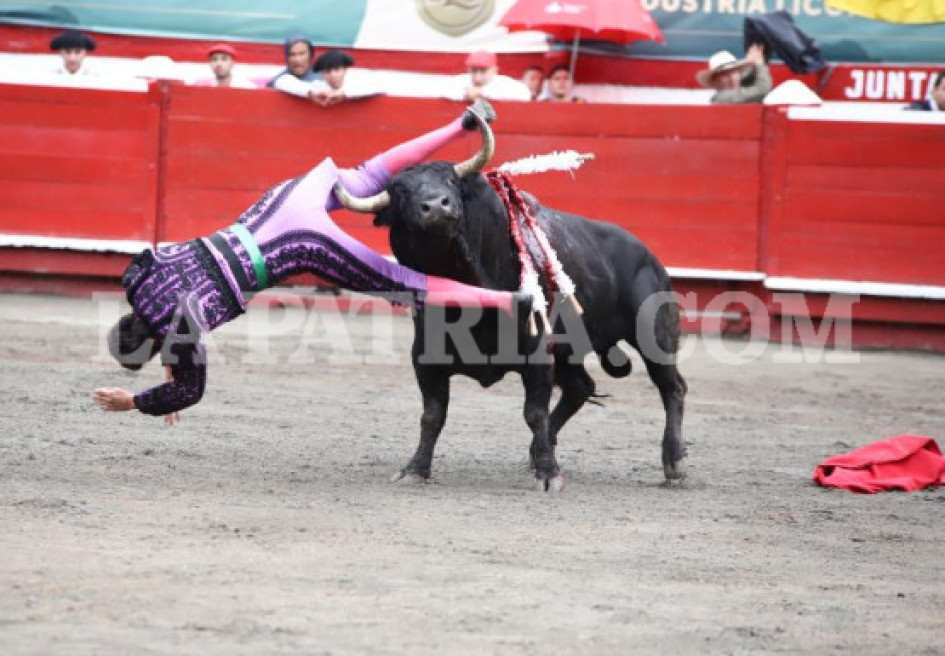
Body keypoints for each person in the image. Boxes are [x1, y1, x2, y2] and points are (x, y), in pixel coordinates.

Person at [93, 101, 534, 421]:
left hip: (298, 245)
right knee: (368, 175)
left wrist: (135, 401)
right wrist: (170, 354)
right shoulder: (139, 277)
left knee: (403, 283)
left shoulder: (179, 332)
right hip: (275, 207)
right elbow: (168, 311)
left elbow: (189, 390)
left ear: (153, 347)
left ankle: (510, 301)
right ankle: (462, 122)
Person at [267, 35, 336, 105]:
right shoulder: (280, 80)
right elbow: (284, 82)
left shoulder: (326, 74)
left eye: (302, 54)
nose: (297, 60)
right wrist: (311, 92)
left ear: (310, 55)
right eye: (292, 54)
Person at [696, 43, 772, 105]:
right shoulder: (721, 98)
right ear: (716, 81)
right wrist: (759, 63)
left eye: (734, 71)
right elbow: (763, 88)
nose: (731, 77)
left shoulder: (742, 89)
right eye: (724, 74)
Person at [446, 51, 531, 102]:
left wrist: (482, 92)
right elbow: (442, 91)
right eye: (474, 70)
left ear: (494, 70)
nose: (477, 77)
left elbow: (525, 94)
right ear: (468, 70)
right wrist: (465, 94)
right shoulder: (461, 80)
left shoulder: (503, 82)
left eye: (483, 71)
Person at [310, 49, 382, 104]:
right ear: (322, 73)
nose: (333, 75)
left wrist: (344, 94)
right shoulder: (319, 85)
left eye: (337, 70)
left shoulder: (357, 81)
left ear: (345, 70)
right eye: (327, 72)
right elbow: (305, 88)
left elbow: (378, 87)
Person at [191, 44, 256, 89]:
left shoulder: (245, 86)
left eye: (224, 59)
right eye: (214, 59)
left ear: (232, 63)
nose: (218, 63)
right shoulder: (201, 86)